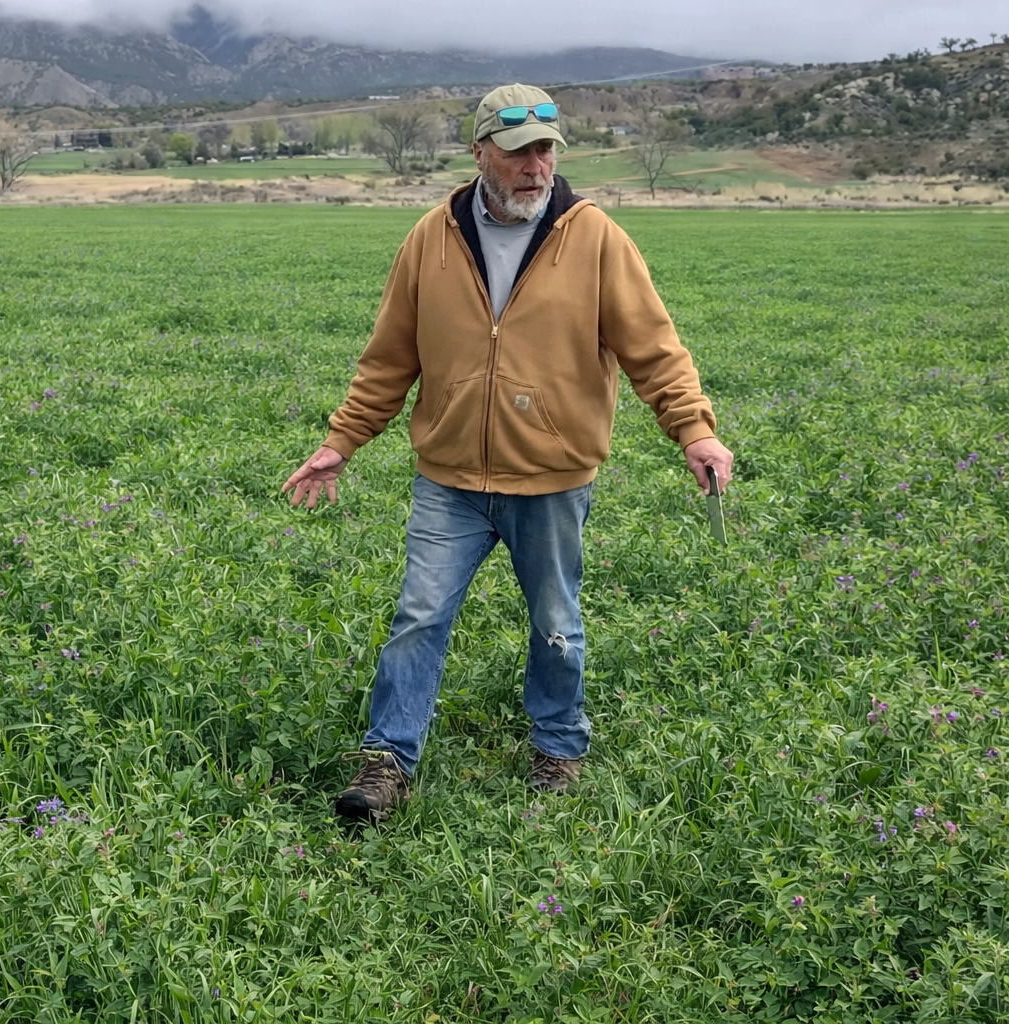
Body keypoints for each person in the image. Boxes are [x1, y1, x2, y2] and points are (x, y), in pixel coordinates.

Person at [282, 83, 734, 823]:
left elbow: (654, 349)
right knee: (419, 617)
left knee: (556, 623)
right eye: (520, 152)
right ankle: (387, 762)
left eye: (546, 150)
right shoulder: (432, 238)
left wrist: (695, 430)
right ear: (481, 153)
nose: (536, 166)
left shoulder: (594, 238)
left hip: (551, 477)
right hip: (450, 478)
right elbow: (389, 358)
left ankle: (558, 748)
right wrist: (342, 442)